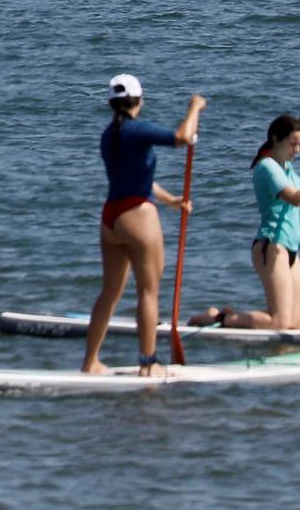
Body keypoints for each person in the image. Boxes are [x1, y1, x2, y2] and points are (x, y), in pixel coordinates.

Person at [189, 63, 300, 331]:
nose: (297, 149)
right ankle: (217, 318)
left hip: (290, 247)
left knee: (296, 324)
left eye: (299, 144)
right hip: (272, 247)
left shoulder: (285, 163)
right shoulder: (267, 168)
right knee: (279, 321)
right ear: (275, 139)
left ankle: (225, 315)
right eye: (292, 144)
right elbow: (295, 198)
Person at [81, 74, 204, 376]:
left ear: (111, 104)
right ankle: (148, 365)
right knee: (148, 292)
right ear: (140, 101)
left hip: (111, 217)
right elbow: (183, 137)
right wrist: (195, 107)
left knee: (109, 292)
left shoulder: (109, 135)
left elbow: (134, 179)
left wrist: (171, 200)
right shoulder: (138, 129)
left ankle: (90, 362)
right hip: (138, 217)